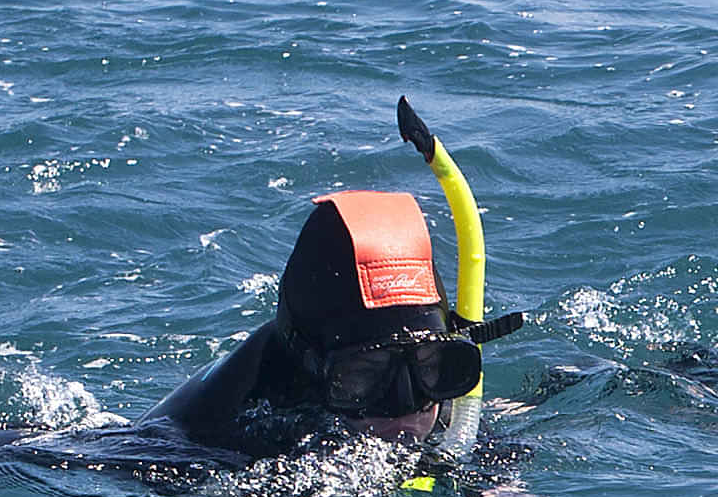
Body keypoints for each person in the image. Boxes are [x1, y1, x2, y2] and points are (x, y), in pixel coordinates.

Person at [144, 190, 492, 459]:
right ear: (310, 366)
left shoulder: (431, 397)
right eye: (365, 376)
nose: (405, 407)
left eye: (431, 367)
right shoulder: (209, 432)